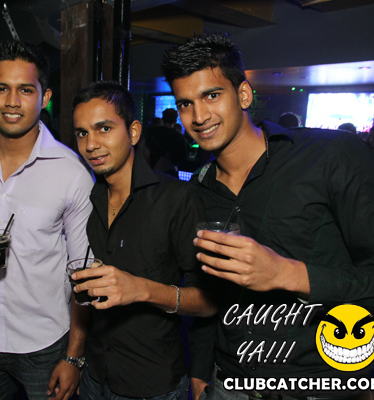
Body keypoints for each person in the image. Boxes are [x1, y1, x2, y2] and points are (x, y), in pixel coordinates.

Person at [162, 33, 374, 399]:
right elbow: (210, 290)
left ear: (244, 95)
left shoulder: (332, 156)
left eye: (212, 95)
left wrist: (287, 273)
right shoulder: (199, 192)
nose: (199, 116)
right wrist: (201, 368)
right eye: (185, 104)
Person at [0, 41, 94, 400]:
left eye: (26, 90)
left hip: (46, 342)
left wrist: (74, 357)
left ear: (44, 98)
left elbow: (84, 275)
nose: (12, 101)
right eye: (2, 89)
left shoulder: (72, 172)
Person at [71, 81, 216, 400]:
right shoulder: (91, 198)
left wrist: (142, 289)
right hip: (95, 374)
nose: (91, 144)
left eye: (104, 128)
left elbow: (209, 301)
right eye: (82, 133)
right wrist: (74, 358)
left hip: (150, 382)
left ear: (133, 132)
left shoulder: (177, 199)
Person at [144, 108, 189, 176]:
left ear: (162, 119)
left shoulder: (152, 133)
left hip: (153, 171)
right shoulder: (179, 137)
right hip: (171, 173)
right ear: (175, 121)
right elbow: (183, 158)